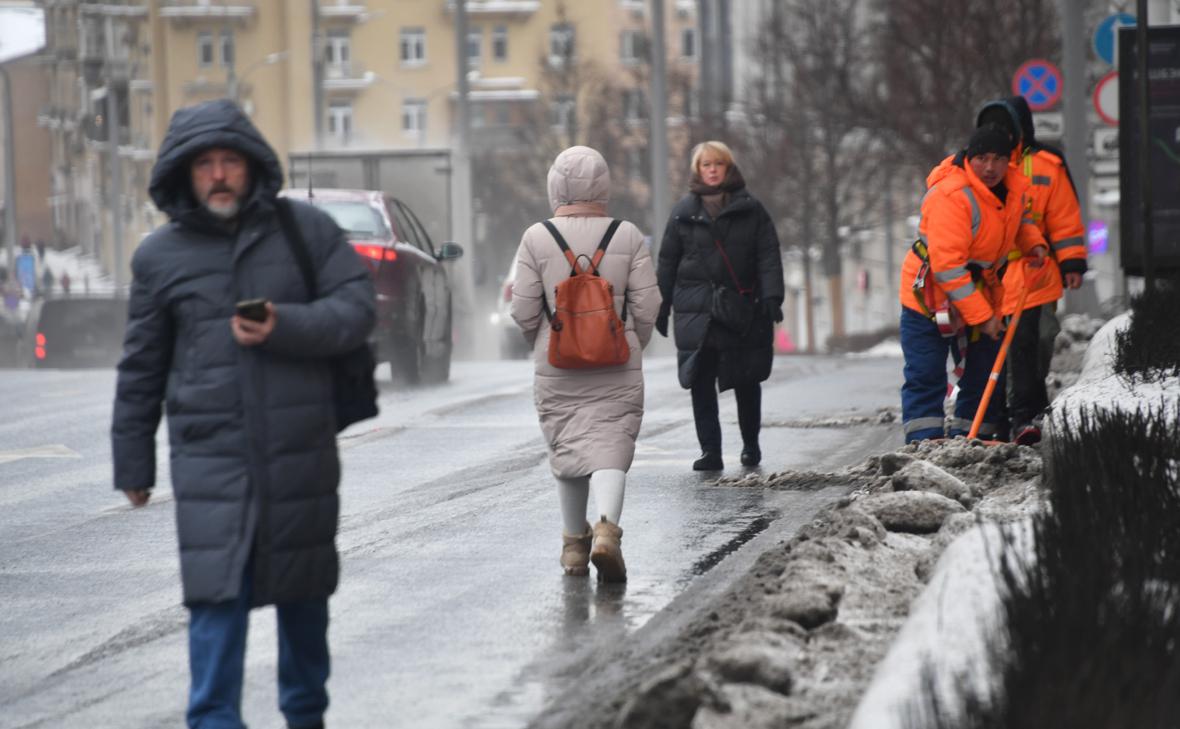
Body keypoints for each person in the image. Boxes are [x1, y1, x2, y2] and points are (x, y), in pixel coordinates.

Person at [111, 99, 375, 729]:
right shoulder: (159, 257)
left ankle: (305, 718)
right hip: (210, 459)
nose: (221, 174)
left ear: (253, 166)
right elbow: (141, 366)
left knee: (304, 601)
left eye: (231, 160)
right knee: (214, 604)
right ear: (185, 174)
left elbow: (358, 307)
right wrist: (133, 461)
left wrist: (286, 326)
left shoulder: (304, 231)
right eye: (207, 164)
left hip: (298, 454)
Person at [510, 145, 660, 583]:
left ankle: (575, 548)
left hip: (556, 363)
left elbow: (522, 310)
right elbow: (648, 303)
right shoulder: (628, 235)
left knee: (568, 447)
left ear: (555, 185)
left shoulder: (536, 237)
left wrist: (539, 338)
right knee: (613, 443)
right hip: (617, 360)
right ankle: (607, 533)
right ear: (604, 185)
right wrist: (635, 340)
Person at [899, 124, 1048, 443]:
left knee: (984, 371)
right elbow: (949, 268)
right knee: (926, 370)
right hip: (931, 298)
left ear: (1008, 161)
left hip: (983, 292)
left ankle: (974, 438)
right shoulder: (952, 196)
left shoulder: (1013, 188)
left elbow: (1018, 220)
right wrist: (983, 317)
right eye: (982, 158)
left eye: (998, 158)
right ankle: (924, 443)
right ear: (969, 158)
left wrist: (1033, 243)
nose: (990, 167)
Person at [655, 140, 784, 471]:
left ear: (729, 168)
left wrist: (771, 297)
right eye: (705, 165)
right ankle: (710, 451)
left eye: (718, 164)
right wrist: (661, 303)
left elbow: (767, 254)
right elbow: (667, 261)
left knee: (746, 379)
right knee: (700, 381)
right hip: (697, 310)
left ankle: (750, 446)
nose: (712, 170)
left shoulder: (751, 209)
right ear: (697, 171)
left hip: (741, 309)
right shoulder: (683, 213)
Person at [976, 96, 1088, 445]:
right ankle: (1020, 413)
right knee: (1012, 347)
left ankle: (1030, 407)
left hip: (1039, 273)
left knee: (1040, 338)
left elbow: (1065, 216)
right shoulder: (988, 165)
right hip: (996, 274)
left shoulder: (1047, 165)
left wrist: (1071, 261)